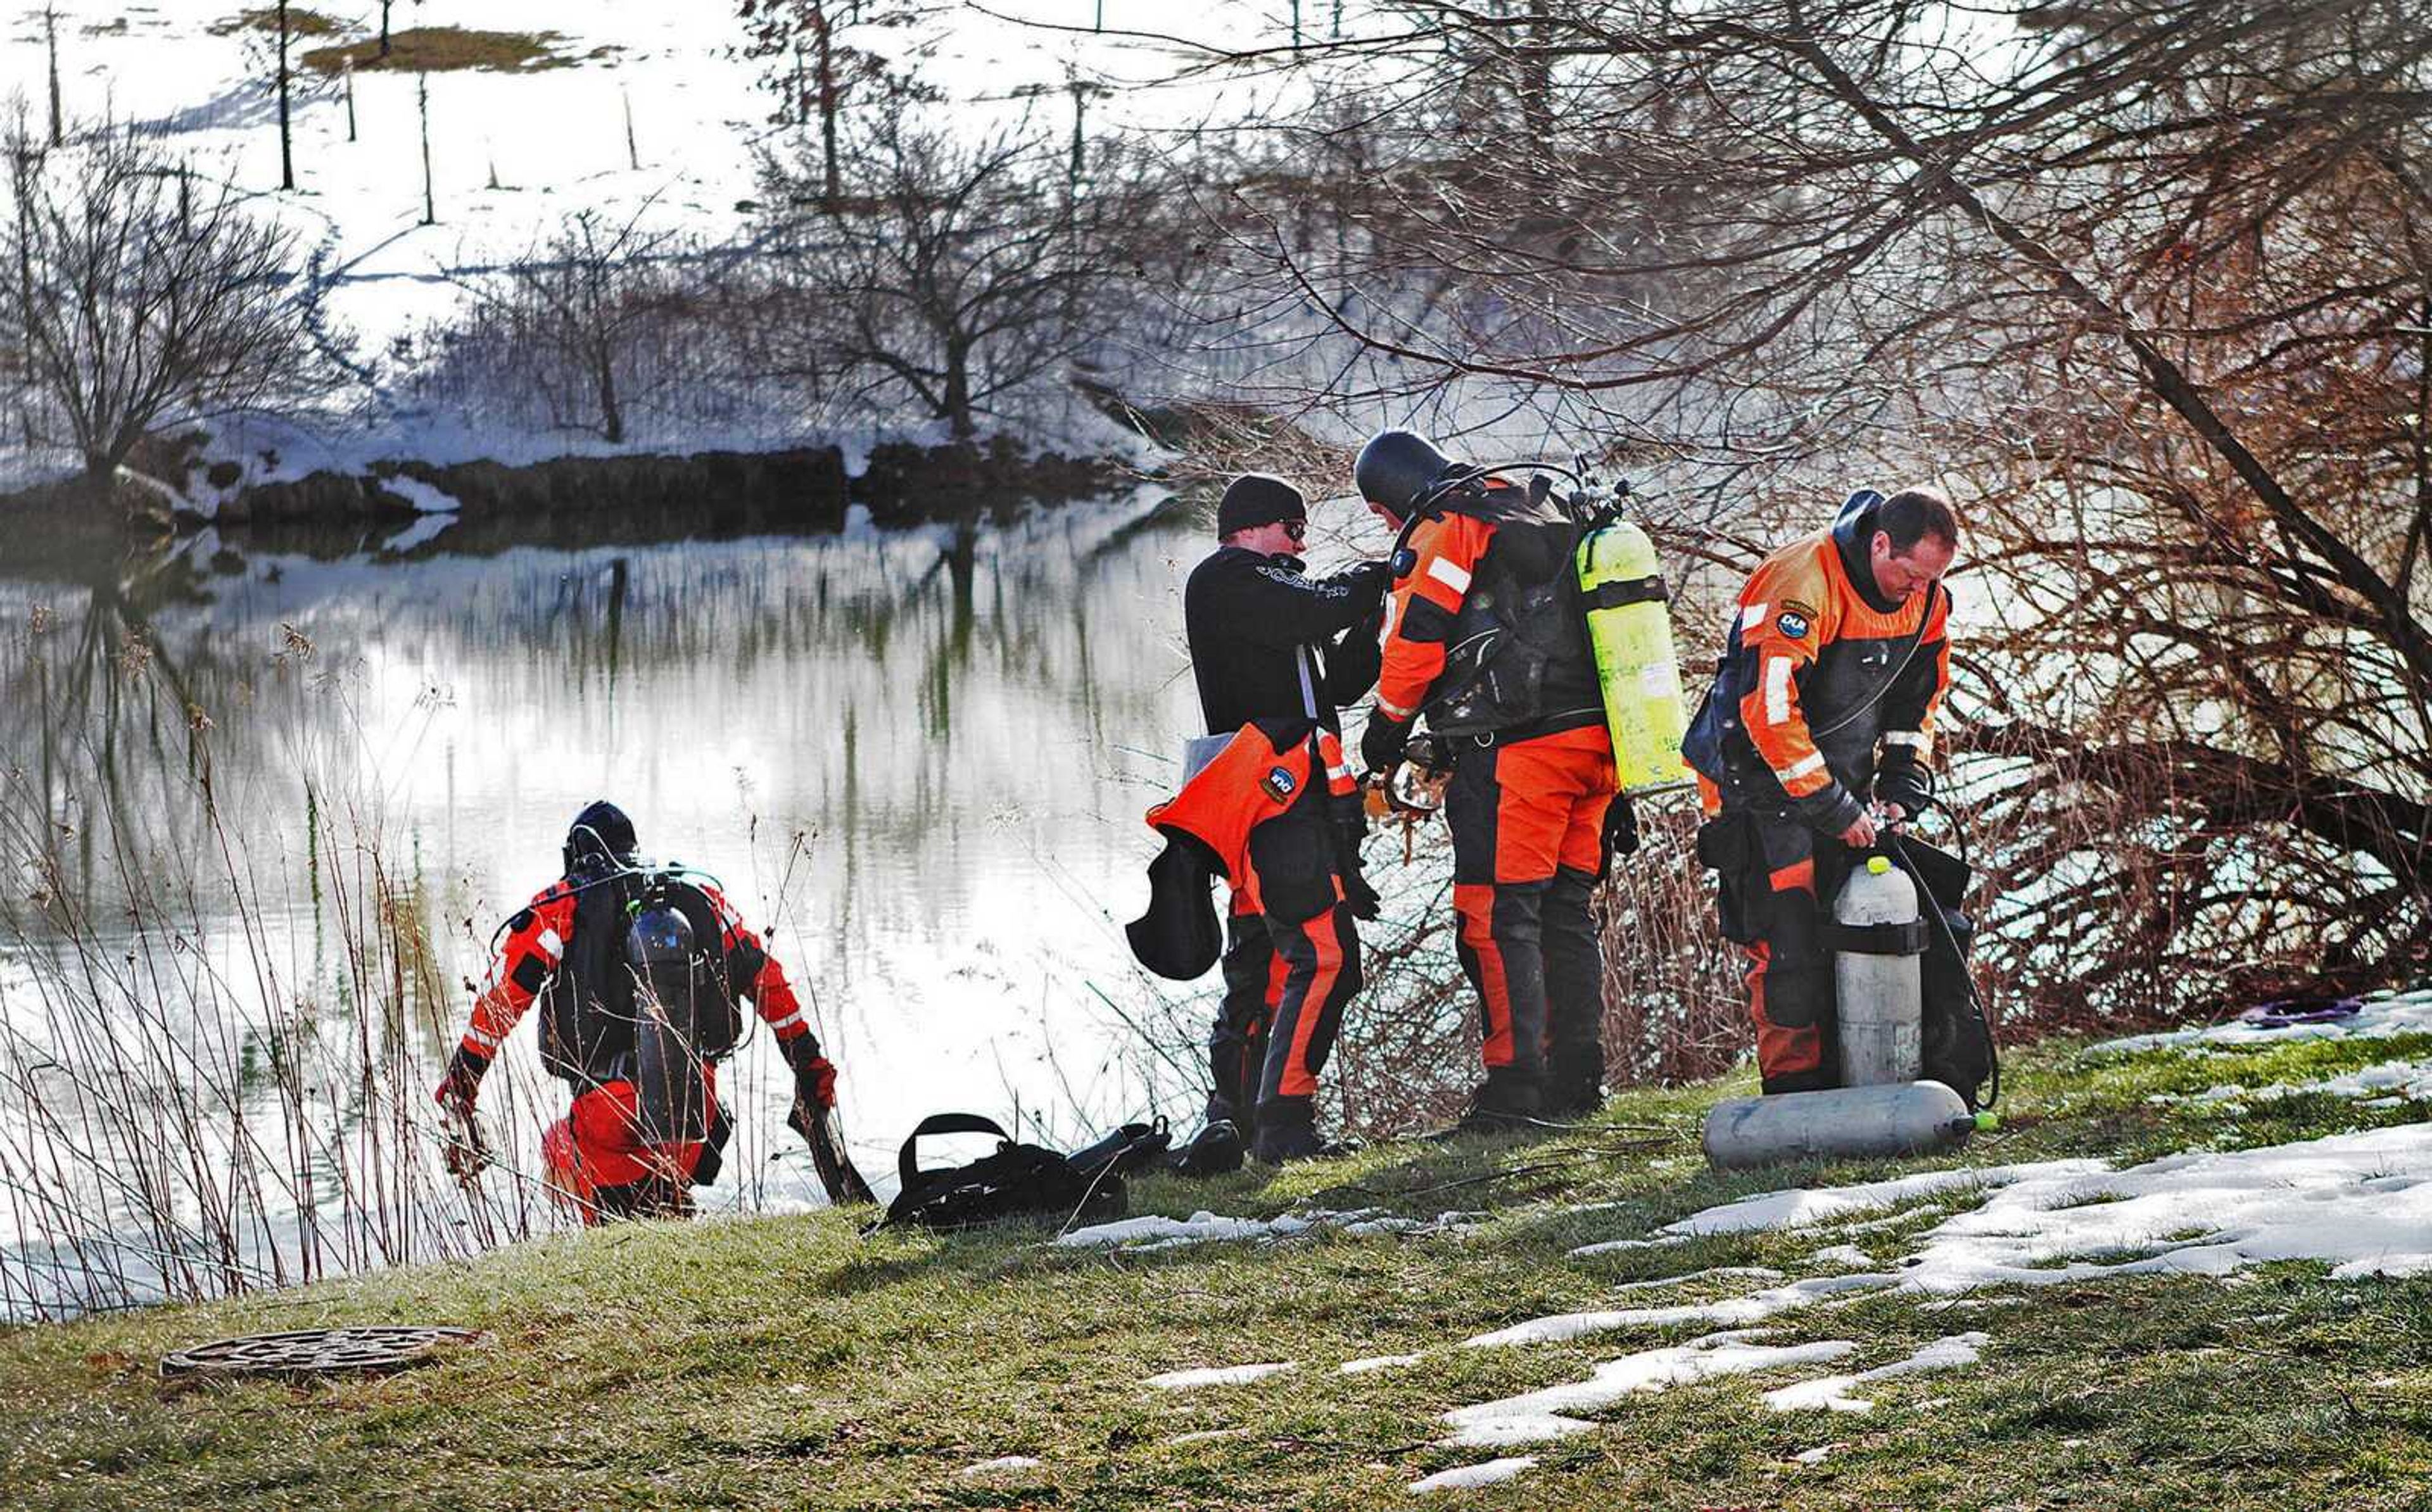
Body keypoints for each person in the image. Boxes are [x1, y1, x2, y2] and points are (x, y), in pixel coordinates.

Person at [1353, 431, 1623, 1127]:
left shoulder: (1450, 525)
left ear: (1393, 498)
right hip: (1598, 743)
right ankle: (1579, 1080)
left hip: (1520, 753)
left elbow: (1417, 636)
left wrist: (1385, 727)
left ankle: (1515, 1092)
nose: (1389, 528)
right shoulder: (1540, 503)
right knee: (1565, 911)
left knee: (1499, 915)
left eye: (1383, 515)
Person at [434, 800, 868, 1220]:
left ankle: (615, 1232)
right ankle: (671, 1210)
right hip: (697, 1110)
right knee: (667, 1170)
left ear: (574, 856)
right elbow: (769, 982)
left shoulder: (561, 905)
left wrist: (461, 1085)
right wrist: (812, 1071)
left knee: (554, 1152)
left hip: (607, 1120)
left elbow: (498, 1005)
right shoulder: (698, 898)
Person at [1680, 487, 1958, 1093]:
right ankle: (1795, 1092)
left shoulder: (1927, 598)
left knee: (1855, 922)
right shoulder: (1800, 583)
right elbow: (1770, 713)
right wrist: (1833, 806)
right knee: (1788, 936)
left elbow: (1919, 704)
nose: (1917, 590)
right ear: (1881, 542)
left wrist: (1901, 784)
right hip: (1752, 778)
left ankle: (1859, 1075)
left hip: (1839, 777)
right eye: (1909, 575)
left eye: (1930, 580)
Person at [1175, 472, 1390, 1162]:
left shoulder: (1274, 596)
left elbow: (1340, 684)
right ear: (1253, 526)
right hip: (1268, 801)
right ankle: (1284, 1125)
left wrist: (1369, 619)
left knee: (1267, 966)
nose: (1300, 545)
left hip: (1292, 801)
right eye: (1293, 530)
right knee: (1325, 959)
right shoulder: (1229, 577)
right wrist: (1380, 574)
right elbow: (1313, 607)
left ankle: (1235, 1124)